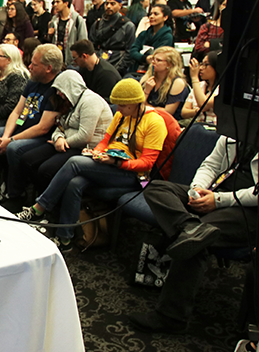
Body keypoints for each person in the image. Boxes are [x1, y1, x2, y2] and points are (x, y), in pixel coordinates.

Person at [16, 79, 168, 252]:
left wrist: (117, 162)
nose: (117, 110)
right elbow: (105, 141)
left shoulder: (155, 122)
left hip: (133, 175)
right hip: (111, 164)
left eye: (122, 106)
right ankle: (65, 239)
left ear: (134, 103)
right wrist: (97, 152)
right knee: (75, 183)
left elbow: (147, 163)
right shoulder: (122, 115)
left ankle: (38, 208)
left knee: (74, 162)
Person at [129, 136, 257, 334]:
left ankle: (171, 317)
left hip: (247, 209)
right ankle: (188, 225)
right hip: (215, 192)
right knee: (156, 188)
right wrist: (196, 188)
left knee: (198, 241)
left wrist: (219, 200)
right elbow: (211, 164)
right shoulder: (235, 128)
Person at [10, 70, 113, 208]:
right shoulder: (70, 101)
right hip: (65, 142)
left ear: (70, 88)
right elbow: (60, 125)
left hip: (86, 148)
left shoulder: (90, 101)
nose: (58, 93)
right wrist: (58, 138)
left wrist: (64, 141)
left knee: (46, 170)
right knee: (27, 159)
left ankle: (47, 208)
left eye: (60, 90)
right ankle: (31, 200)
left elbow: (85, 136)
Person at [0, 44, 62, 203]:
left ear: (48, 68)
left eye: (34, 65)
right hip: (21, 128)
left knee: (14, 148)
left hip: (39, 136)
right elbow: (16, 112)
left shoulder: (57, 87)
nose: (29, 67)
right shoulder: (33, 81)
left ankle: (15, 196)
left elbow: (43, 128)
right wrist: (6, 136)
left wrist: (11, 140)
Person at [140, 46, 189, 121]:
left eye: (158, 60)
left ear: (169, 64)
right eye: (153, 59)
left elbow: (168, 112)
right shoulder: (147, 78)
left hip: (169, 122)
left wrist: (146, 107)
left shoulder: (177, 82)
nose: (153, 62)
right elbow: (138, 105)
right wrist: (147, 90)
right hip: (148, 118)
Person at [89, 0, 136, 69]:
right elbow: (91, 45)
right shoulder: (97, 23)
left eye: (112, 4)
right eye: (106, 3)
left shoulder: (127, 25)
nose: (108, 6)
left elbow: (130, 51)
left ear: (120, 6)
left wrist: (119, 68)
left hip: (118, 63)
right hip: (99, 62)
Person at [124, 4, 174, 74]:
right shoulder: (143, 34)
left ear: (165, 17)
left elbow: (156, 57)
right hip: (136, 71)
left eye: (156, 14)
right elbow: (133, 52)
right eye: (150, 14)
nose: (151, 17)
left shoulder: (167, 37)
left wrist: (140, 56)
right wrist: (145, 58)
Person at [48, 0, 88, 69]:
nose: (55, 5)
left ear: (66, 3)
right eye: (54, 2)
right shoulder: (54, 20)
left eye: (58, 2)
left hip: (72, 62)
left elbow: (83, 41)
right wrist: (50, 35)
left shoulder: (77, 20)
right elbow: (51, 40)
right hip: (57, 60)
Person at [181, 51, 219, 126]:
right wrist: (196, 111)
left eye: (206, 65)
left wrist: (194, 78)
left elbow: (203, 104)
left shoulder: (222, 89)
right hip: (198, 127)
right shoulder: (199, 86)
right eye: (201, 64)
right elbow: (184, 112)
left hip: (214, 130)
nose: (201, 68)